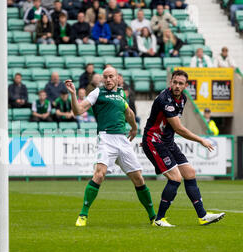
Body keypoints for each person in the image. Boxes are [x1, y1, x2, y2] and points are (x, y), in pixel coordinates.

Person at [65, 67, 157, 227]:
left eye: (111, 77)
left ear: (117, 78)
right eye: (105, 77)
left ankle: (153, 218)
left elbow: (129, 113)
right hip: (106, 138)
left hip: (122, 140)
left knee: (139, 178)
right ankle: (83, 215)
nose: (107, 80)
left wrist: (134, 127)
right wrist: (73, 94)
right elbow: (78, 110)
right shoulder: (97, 93)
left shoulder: (121, 94)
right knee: (99, 174)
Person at [141, 69, 225, 227]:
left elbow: (169, 125)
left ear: (186, 85)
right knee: (175, 178)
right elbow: (178, 128)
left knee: (190, 173)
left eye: (181, 83)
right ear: (170, 82)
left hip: (167, 141)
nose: (177, 86)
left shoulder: (183, 99)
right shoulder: (165, 99)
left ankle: (203, 216)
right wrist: (201, 140)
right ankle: (159, 219)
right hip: (155, 141)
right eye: (175, 82)